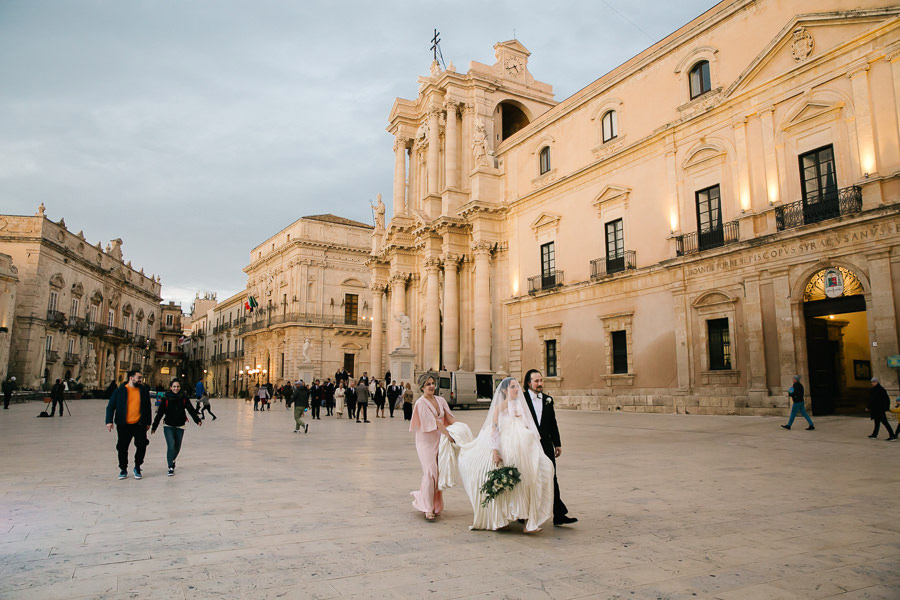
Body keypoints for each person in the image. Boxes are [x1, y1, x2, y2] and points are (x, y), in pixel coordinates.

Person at [452, 377, 553, 532]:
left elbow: (530, 427)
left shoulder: (521, 406)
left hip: (523, 447)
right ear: (505, 390)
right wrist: (495, 451)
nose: (516, 390)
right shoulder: (499, 408)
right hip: (506, 446)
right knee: (513, 482)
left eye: (517, 387)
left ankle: (529, 521)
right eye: (513, 387)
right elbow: (495, 430)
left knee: (532, 478)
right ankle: (503, 516)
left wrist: (536, 447)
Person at [522, 369, 577, 526]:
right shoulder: (522, 399)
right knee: (528, 477)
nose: (540, 384)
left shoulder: (548, 400)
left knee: (551, 476)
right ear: (528, 383)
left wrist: (557, 443)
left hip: (545, 445)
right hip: (528, 445)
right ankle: (523, 513)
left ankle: (558, 514)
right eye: (536, 381)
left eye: (541, 381)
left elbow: (553, 423)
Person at [409, 373, 456, 521]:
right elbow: (434, 423)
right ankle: (428, 508)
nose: (431, 386)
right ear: (422, 386)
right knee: (430, 471)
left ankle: (431, 502)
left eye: (433, 383)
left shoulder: (441, 400)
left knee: (437, 473)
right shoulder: (420, 403)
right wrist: (448, 434)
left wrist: (461, 430)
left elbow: (450, 417)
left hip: (439, 438)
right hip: (425, 440)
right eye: (428, 384)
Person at [105, 370, 152, 480]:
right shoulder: (120, 391)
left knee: (141, 445)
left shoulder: (144, 391)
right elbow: (111, 406)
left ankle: (137, 466)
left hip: (139, 424)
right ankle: (123, 468)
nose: (141, 380)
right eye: (139, 377)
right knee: (122, 447)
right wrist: (109, 421)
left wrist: (148, 422)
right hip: (123, 424)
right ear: (131, 378)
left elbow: (147, 407)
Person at [150, 379, 202, 476]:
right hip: (168, 425)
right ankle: (170, 466)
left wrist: (197, 420)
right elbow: (160, 413)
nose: (176, 388)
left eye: (177, 386)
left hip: (180, 425)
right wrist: (154, 426)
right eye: (174, 386)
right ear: (170, 387)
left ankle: (172, 459)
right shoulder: (166, 398)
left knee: (177, 447)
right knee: (171, 445)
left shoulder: (184, 398)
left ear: (180, 387)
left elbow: (190, 409)